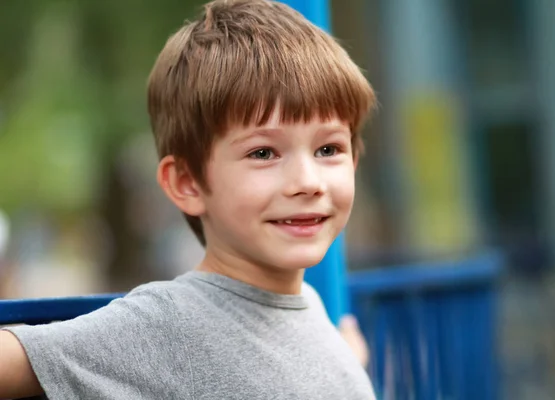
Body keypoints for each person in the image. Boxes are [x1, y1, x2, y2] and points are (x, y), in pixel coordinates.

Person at [0, 0, 376, 398]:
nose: (308, 181)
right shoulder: (167, 324)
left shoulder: (312, 310)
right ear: (187, 183)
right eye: (263, 153)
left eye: (328, 149)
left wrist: (345, 362)